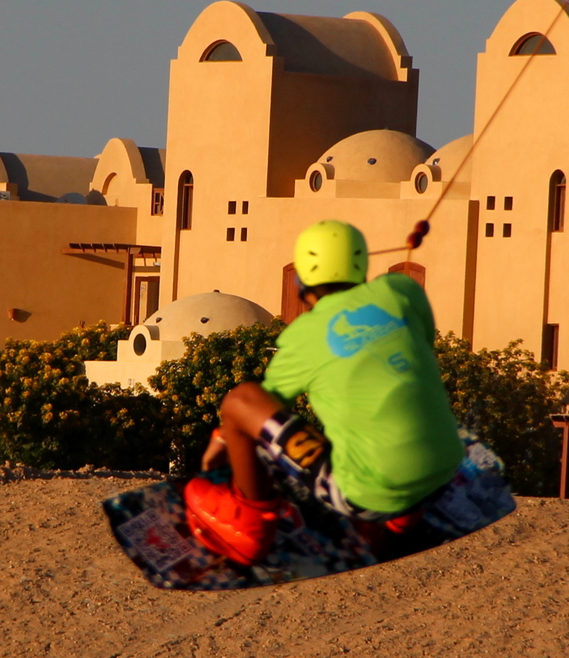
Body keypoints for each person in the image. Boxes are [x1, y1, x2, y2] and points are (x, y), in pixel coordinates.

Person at [187, 220, 467, 565]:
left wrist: (223, 439)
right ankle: (403, 514)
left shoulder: (303, 335)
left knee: (240, 399)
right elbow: (422, 343)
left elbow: (258, 405)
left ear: (301, 281)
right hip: (448, 471)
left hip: (368, 495)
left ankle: (249, 523)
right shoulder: (401, 291)